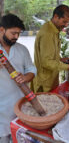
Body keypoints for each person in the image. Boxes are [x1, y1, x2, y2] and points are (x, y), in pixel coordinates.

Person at [0, 14, 36, 143]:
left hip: (21, 104)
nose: (16, 37)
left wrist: (26, 77)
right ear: (1, 29)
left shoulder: (22, 49)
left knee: (19, 136)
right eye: (13, 33)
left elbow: (32, 69)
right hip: (1, 108)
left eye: (18, 33)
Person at [31, 4, 69, 93]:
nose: (66, 25)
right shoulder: (48, 33)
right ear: (56, 17)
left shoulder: (53, 29)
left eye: (68, 23)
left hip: (50, 79)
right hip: (44, 82)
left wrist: (62, 59)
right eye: (64, 22)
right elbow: (46, 62)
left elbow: (50, 55)